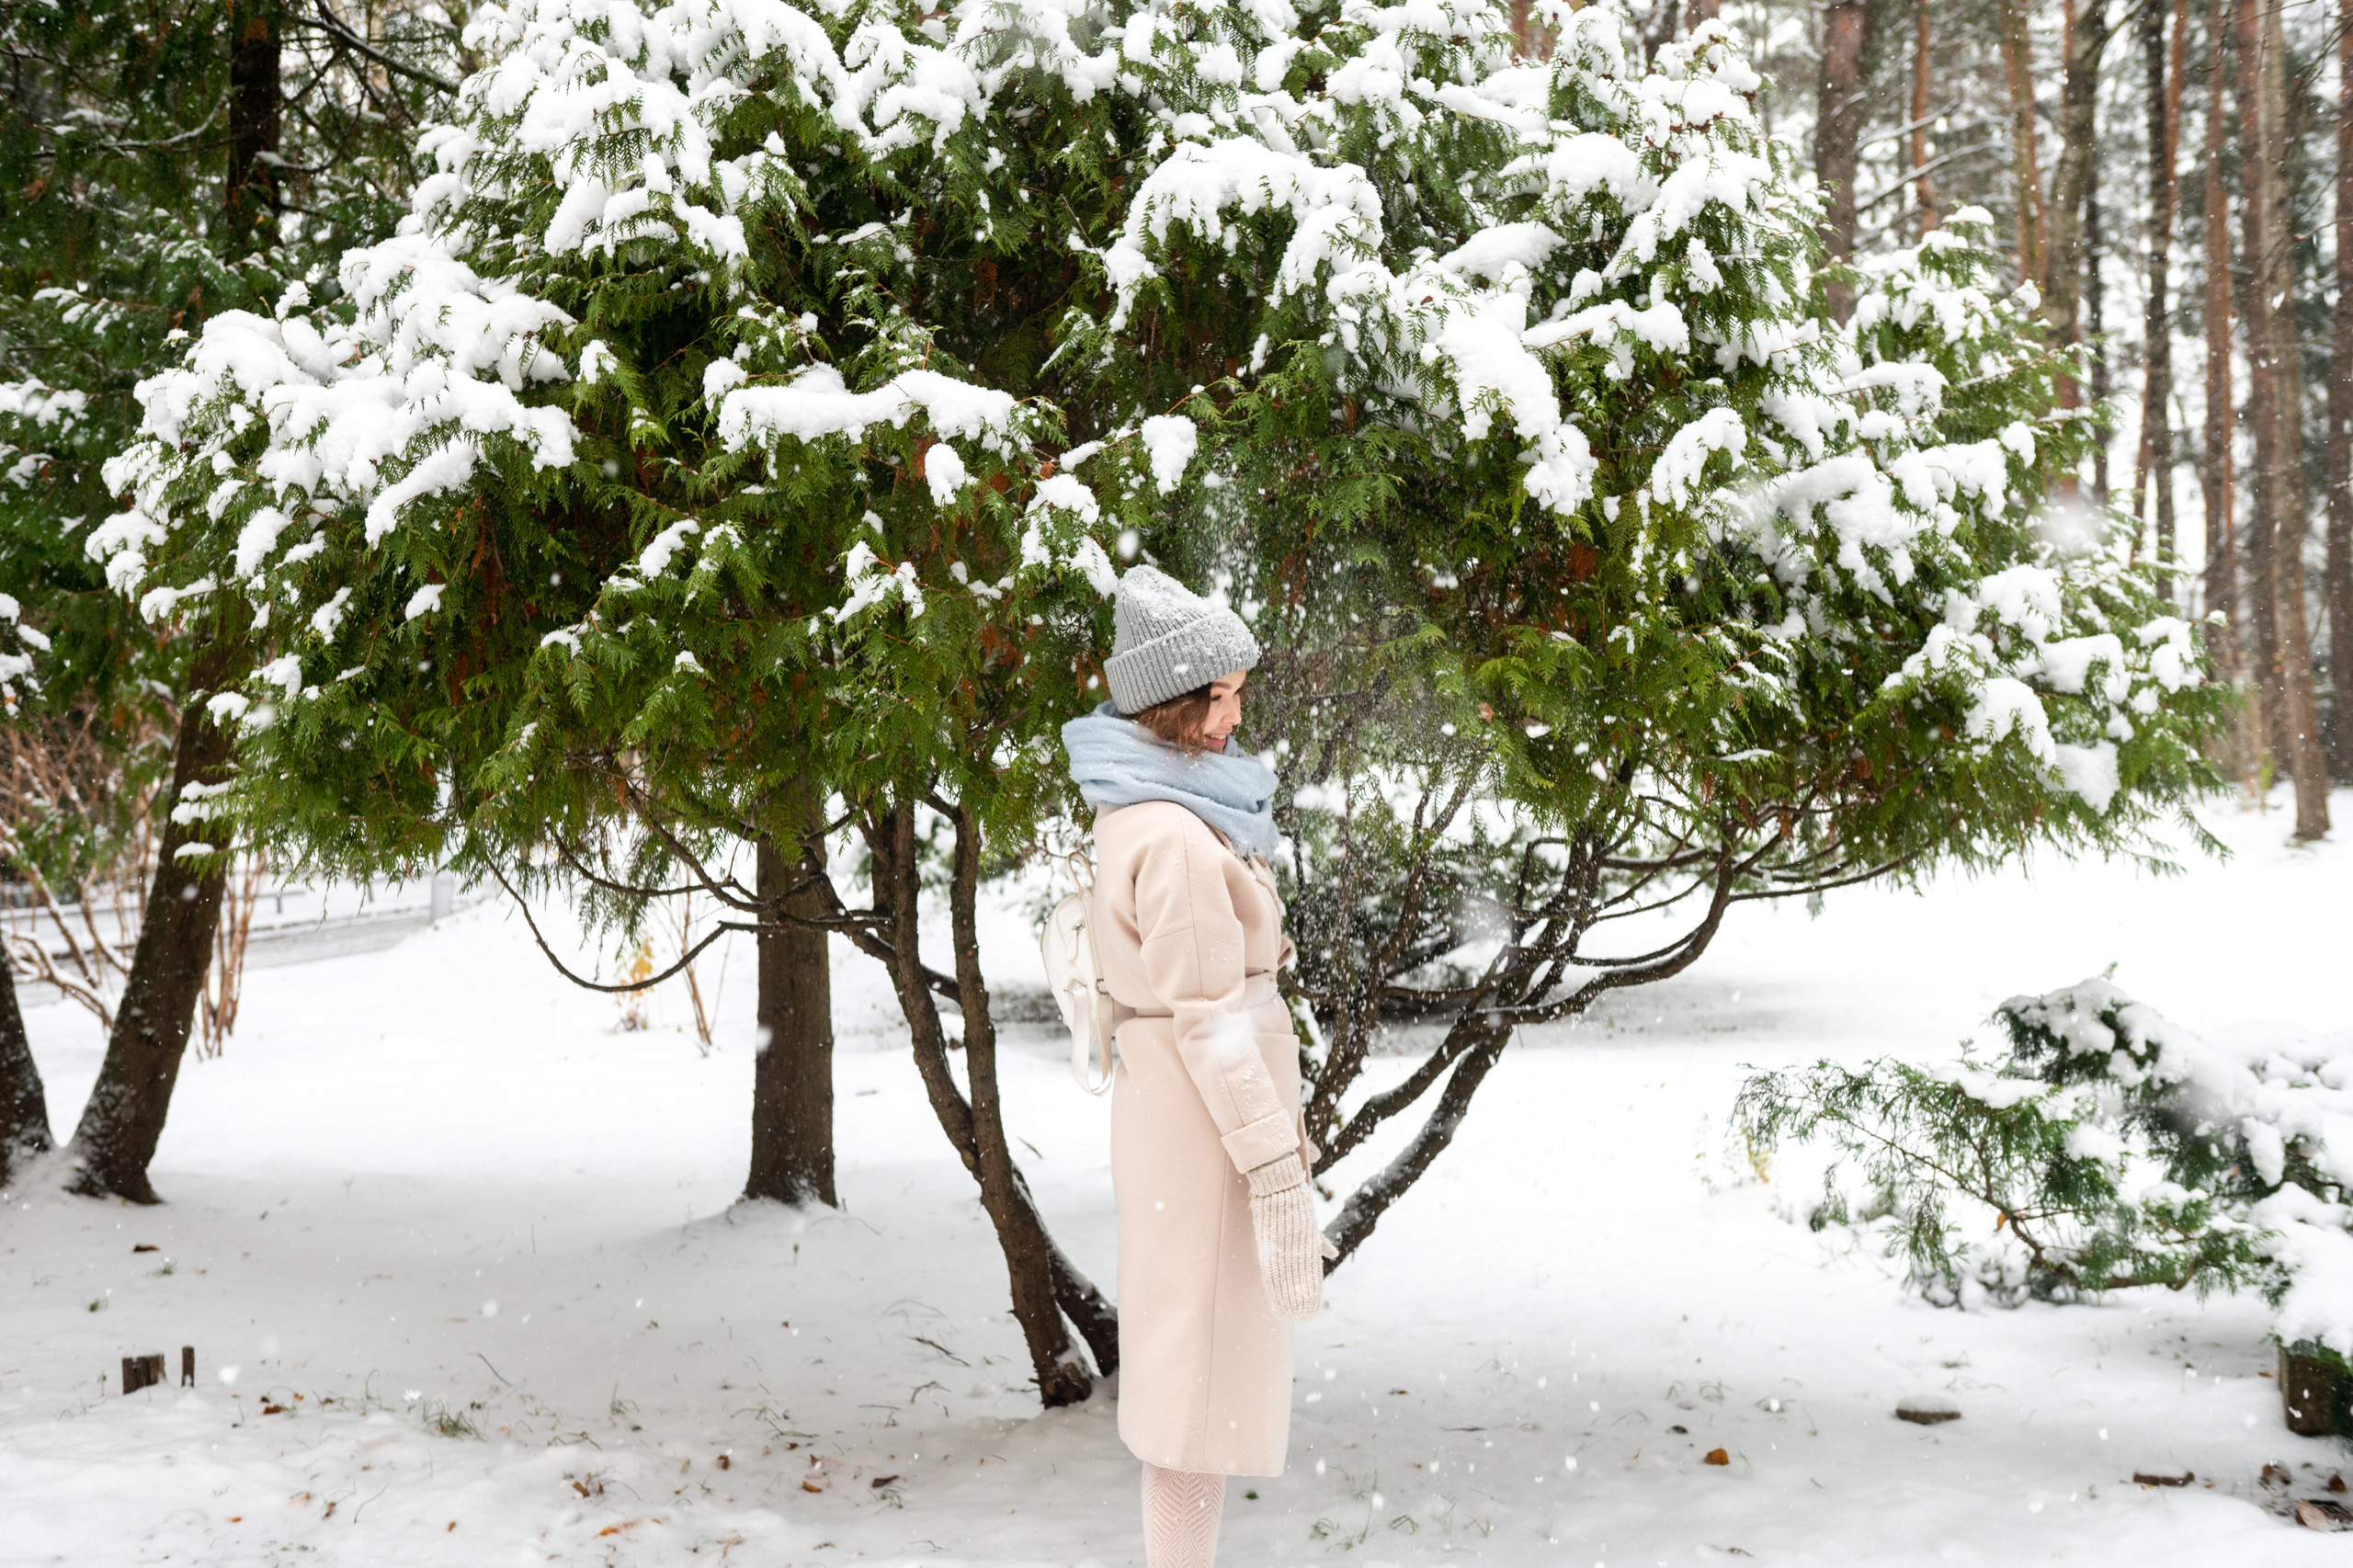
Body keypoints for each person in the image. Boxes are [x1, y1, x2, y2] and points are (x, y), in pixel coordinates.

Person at [1062, 565, 1331, 1568]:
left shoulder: (1152, 802)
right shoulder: (1172, 836)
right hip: (1207, 1129)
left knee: (1192, 1379)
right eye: (1219, 695)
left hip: (1183, 1118)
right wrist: (1273, 1170)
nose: (1235, 715)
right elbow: (1212, 1020)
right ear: (1171, 703)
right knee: (1194, 1391)